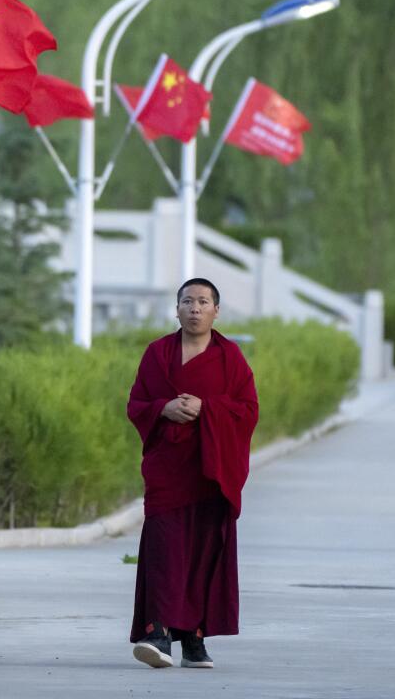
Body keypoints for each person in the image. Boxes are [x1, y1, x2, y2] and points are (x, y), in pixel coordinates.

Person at [126, 278, 259, 669]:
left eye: (203, 301)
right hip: (169, 469)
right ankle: (158, 633)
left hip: (211, 472)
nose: (195, 308)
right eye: (187, 301)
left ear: (217, 311)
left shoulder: (230, 357)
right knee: (164, 548)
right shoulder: (157, 353)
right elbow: (137, 404)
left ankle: (195, 640)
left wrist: (207, 409)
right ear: (177, 309)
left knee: (203, 551)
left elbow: (248, 411)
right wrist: (163, 409)